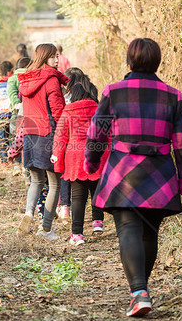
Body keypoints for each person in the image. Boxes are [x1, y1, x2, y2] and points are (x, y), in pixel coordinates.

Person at [84, 38, 182, 317]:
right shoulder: (173, 95)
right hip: (160, 174)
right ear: (157, 62)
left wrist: (91, 161)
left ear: (129, 61)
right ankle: (141, 291)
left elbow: (97, 133)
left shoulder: (114, 91)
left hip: (123, 172)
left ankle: (139, 292)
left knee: (128, 229)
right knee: (149, 231)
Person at [16, 43, 69, 241]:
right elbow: (58, 111)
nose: (57, 60)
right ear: (45, 57)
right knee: (55, 182)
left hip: (30, 134)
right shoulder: (51, 80)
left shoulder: (26, 80)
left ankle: (29, 213)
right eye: (53, 56)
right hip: (49, 134)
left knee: (36, 180)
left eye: (57, 56)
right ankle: (45, 229)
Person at [52, 82, 108, 246]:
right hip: (96, 156)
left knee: (78, 198)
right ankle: (98, 222)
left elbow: (60, 139)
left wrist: (57, 161)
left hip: (75, 159)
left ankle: (77, 234)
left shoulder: (67, 112)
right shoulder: (98, 109)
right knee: (96, 191)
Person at [56, 67, 100, 220]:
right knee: (93, 185)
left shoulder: (67, 98)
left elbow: (61, 129)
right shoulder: (90, 91)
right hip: (92, 146)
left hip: (71, 144)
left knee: (68, 178)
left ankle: (65, 208)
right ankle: (97, 220)